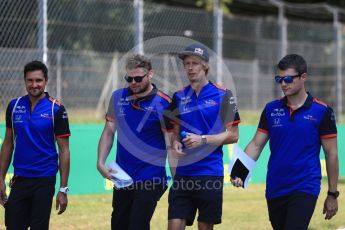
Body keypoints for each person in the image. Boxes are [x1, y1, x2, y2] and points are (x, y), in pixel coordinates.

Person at [231, 54, 339, 229]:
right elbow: (256, 144)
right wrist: (240, 170)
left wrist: (332, 194)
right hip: (275, 186)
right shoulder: (271, 109)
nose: (283, 83)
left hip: (305, 186)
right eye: (279, 79)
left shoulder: (322, 111)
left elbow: (331, 154)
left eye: (288, 79)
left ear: (303, 77)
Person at [165, 43, 240, 230]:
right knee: (174, 225)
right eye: (186, 64)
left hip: (210, 173)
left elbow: (233, 135)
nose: (190, 68)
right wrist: (175, 142)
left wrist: (203, 139)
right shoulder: (179, 96)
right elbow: (173, 130)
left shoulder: (223, 95)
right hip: (183, 174)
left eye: (195, 63)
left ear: (205, 66)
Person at [97, 54, 172, 230]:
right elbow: (108, 131)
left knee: (137, 224)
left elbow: (171, 144)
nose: (133, 82)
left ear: (150, 74)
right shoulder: (117, 97)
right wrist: (100, 162)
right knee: (119, 225)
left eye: (138, 78)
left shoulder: (165, 103)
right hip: (122, 177)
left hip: (151, 178)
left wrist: (178, 180)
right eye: (129, 78)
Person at [0, 60, 71, 229]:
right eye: (30, 80)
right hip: (19, 179)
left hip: (44, 180)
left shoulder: (57, 109)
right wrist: (0, 178)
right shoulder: (14, 106)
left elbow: (64, 151)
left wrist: (63, 189)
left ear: (46, 81)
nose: (34, 85)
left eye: (38, 80)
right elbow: (8, 143)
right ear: (24, 81)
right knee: (13, 224)